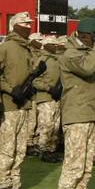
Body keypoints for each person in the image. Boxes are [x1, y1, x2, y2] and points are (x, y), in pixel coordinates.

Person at [57, 17, 95, 189]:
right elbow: (87, 69)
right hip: (77, 116)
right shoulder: (70, 54)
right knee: (74, 164)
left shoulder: (86, 52)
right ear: (88, 36)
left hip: (90, 113)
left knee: (86, 165)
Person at [0, 11, 41, 189]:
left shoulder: (27, 49)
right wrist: (10, 89)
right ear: (14, 26)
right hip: (9, 105)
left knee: (20, 148)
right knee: (7, 147)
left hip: (24, 105)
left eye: (30, 24)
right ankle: (4, 185)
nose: (28, 27)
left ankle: (15, 184)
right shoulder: (5, 48)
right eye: (24, 24)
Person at [32, 34, 63, 162]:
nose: (56, 46)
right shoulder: (42, 60)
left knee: (55, 125)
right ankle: (43, 150)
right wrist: (49, 88)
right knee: (46, 124)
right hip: (45, 97)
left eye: (56, 44)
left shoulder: (57, 59)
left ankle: (51, 149)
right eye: (53, 44)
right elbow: (34, 80)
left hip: (57, 97)